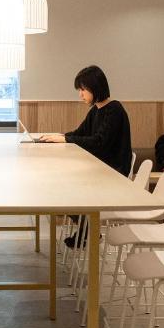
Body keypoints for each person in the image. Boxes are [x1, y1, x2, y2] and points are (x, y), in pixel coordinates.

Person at [40, 65, 132, 247]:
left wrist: (65, 139)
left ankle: (87, 229)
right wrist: (59, 137)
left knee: (64, 187)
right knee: (59, 184)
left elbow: (99, 142)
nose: (80, 95)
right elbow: (80, 132)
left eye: (83, 90)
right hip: (99, 168)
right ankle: (88, 229)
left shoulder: (114, 110)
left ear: (95, 87)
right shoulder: (96, 110)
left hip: (113, 172)